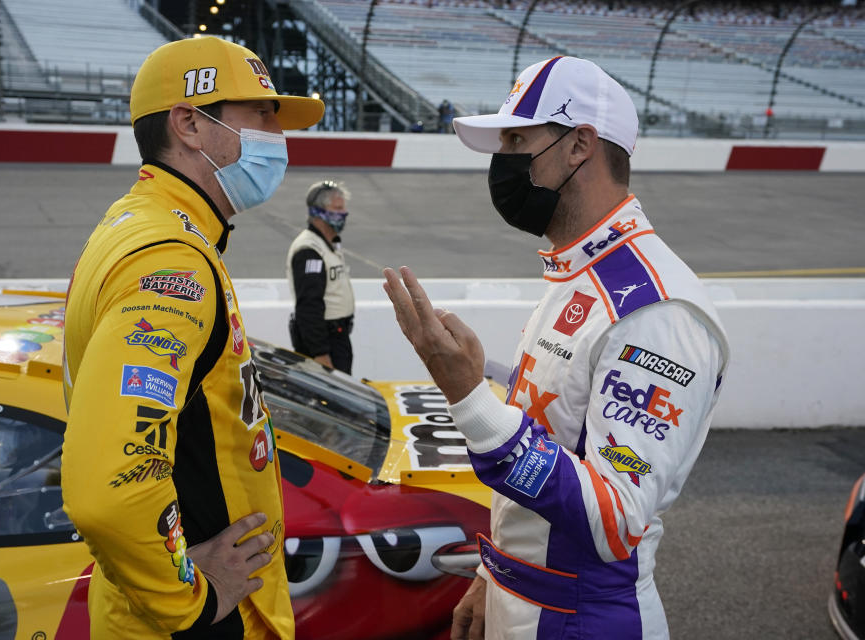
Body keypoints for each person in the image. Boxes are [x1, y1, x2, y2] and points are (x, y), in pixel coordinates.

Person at [383, 55, 729, 639]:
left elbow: (614, 521)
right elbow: (553, 441)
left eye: (518, 138)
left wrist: (468, 396)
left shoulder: (655, 310)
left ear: (579, 146)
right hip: (526, 600)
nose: (503, 161)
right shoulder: (581, 276)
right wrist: (495, 573)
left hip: (583, 619)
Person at [61, 37, 323, 639]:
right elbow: (110, 489)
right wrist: (193, 599)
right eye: (261, 114)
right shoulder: (171, 263)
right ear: (189, 124)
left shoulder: (140, 222)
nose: (277, 133)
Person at [285, 180, 356, 374]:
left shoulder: (327, 244)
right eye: (338, 209)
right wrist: (320, 353)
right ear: (318, 211)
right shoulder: (309, 250)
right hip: (324, 342)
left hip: (337, 338)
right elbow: (309, 305)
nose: (344, 214)